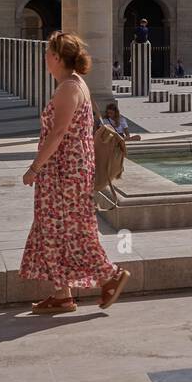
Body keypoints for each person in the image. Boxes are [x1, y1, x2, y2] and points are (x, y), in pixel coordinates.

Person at [19, 31, 130, 315]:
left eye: (47, 54)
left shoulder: (68, 88)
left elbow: (57, 134)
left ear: (57, 57)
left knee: (75, 230)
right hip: (68, 170)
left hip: (64, 172)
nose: (44, 58)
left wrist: (34, 168)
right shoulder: (75, 84)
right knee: (52, 229)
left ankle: (110, 276)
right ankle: (62, 293)